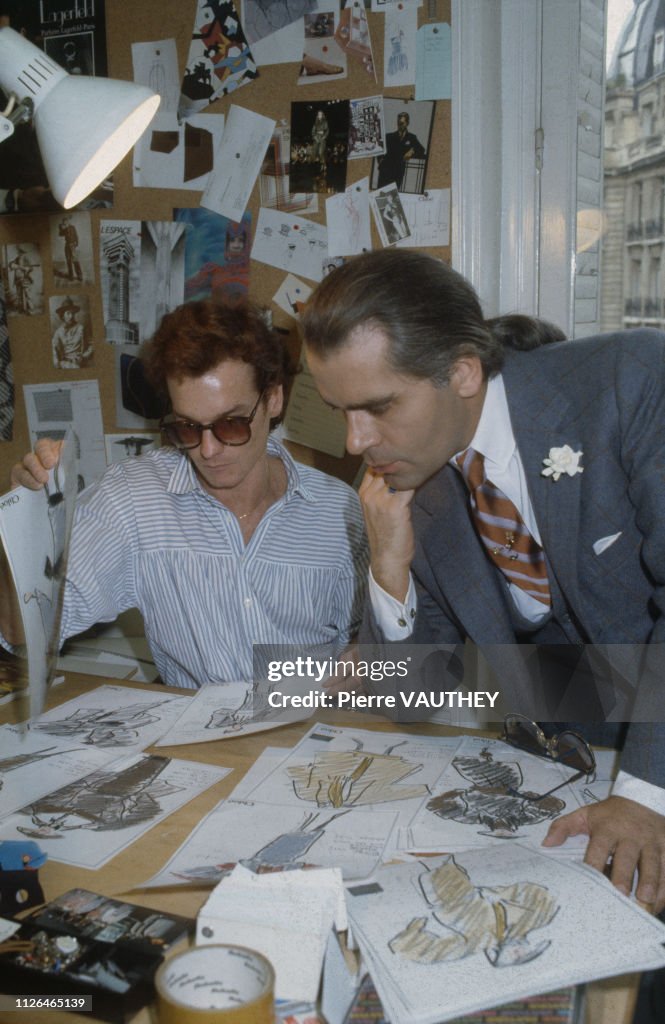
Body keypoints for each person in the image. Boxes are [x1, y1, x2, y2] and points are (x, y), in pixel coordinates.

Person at [301, 248, 665, 913]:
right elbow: (405, 699)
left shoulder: (632, 383)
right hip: (561, 779)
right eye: (338, 410)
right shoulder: (416, 486)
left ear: (462, 372)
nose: (354, 442)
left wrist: (644, 797)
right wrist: (387, 565)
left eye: (377, 407)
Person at [5, 300, 368, 689]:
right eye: (188, 428)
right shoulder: (134, 499)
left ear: (274, 399)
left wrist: (363, 674)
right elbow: (24, 631)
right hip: (193, 746)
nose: (208, 451)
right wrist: (21, 527)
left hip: (308, 734)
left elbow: (380, 659)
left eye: (231, 424)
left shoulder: (339, 510)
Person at [376, 111, 426, 191]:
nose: (400, 125)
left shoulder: (411, 137)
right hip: (385, 171)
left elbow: (421, 149)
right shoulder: (389, 136)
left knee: (393, 197)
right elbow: (379, 149)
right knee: (380, 194)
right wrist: (380, 161)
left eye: (402, 123)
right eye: (398, 123)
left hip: (398, 172)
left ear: (407, 123)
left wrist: (412, 152)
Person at [51, 297, 91, 369]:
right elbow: (53, 348)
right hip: (65, 364)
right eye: (68, 313)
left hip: (80, 363)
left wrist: (84, 356)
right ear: (63, 315)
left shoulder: (81, 328)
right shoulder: (58, 332)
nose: (71, 316)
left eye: (73, 313)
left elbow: (91, 345)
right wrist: (57, 363)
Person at [58, 215, 83, 281]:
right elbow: (60, 234)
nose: (65, 222)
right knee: (68, 261)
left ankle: (80, 276)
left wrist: (76, 244)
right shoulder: (63, 228)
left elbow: (76, 236)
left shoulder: (72, 227)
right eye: (64, 221)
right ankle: (71, 276)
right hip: (67, 246)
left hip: (73, 246)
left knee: (75, 261)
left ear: (68, 221)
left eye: (66, 221)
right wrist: (63, 227)